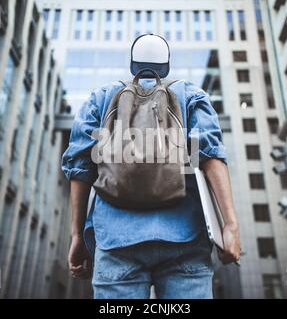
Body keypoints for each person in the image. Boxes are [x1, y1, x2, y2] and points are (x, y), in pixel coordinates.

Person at [61, 34, 241, 299]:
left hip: (116, 241)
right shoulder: (189, 95)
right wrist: (230, 225)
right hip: (185, 237)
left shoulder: (102, 98)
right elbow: (211, 156)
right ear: (166, 66)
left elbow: (80, 166)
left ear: (133, 65)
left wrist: (77, 235)